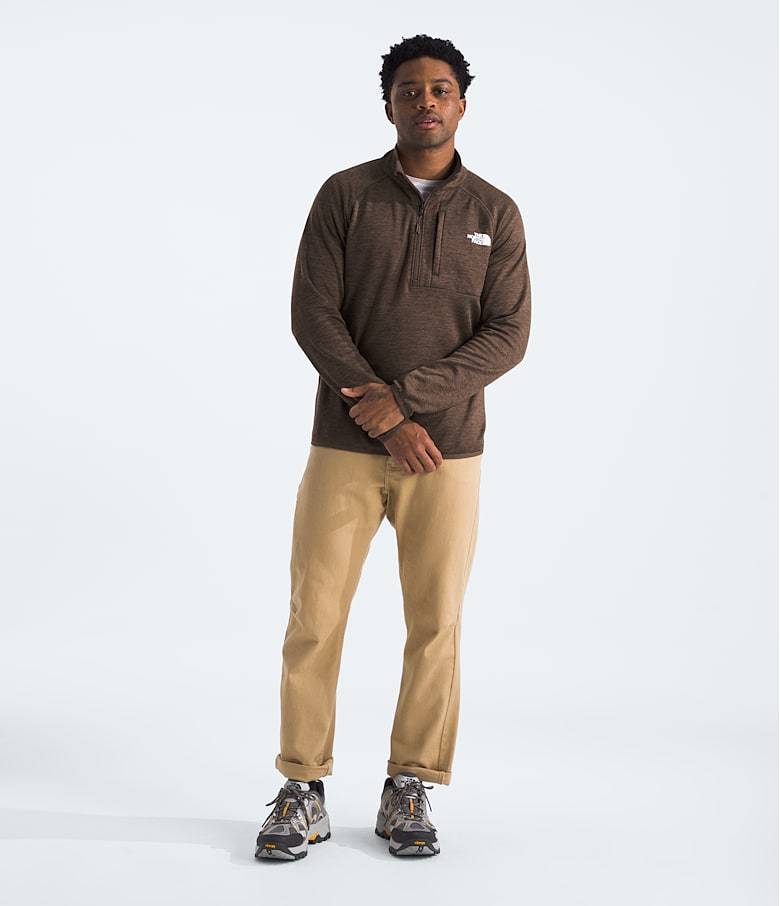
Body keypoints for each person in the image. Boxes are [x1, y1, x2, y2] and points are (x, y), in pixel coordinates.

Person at [255, 33, 532, 861]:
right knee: (315, 616)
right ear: (388, 104)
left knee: (436, 622)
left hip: (450, 453)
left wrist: (406, 402)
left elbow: (509, 334)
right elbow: (313, 314)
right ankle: (302, 787)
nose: (425, 101)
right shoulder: (344, 196)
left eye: (440, 89)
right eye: (410, 89)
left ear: (462, 104)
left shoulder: (495, 213)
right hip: (343, 447)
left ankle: (410, 784)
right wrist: (384, 419)